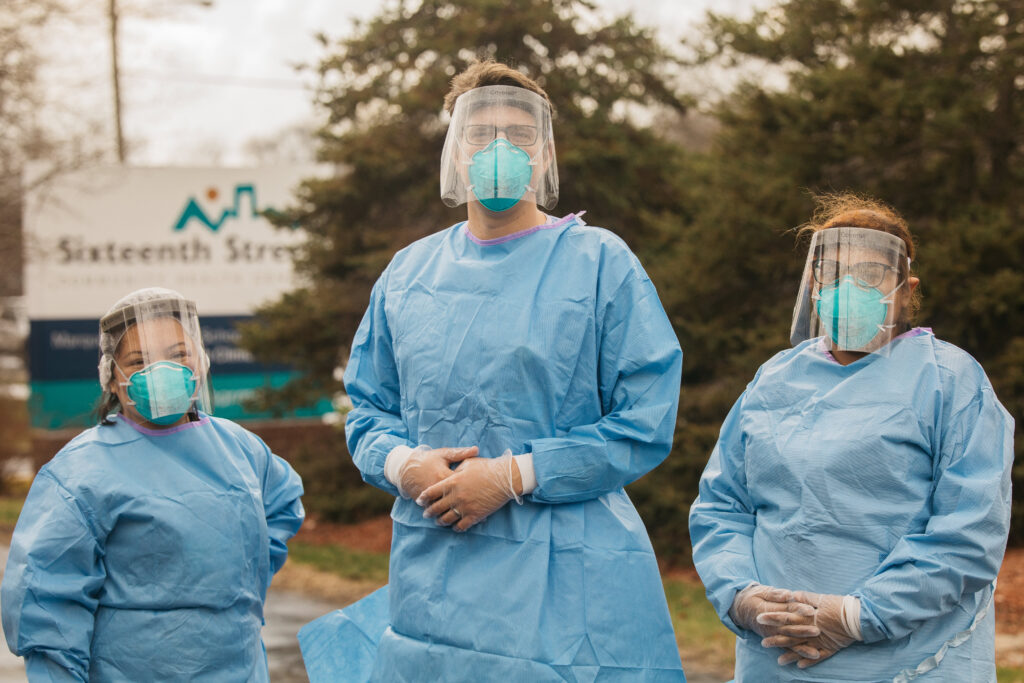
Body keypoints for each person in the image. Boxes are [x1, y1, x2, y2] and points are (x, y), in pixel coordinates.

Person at [307, 60, 687, 680]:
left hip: (568, 582)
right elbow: (369, 409)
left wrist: (516, 475)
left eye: (520, 134)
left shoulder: (599, 262)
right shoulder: (408, 274)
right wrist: (404, 465)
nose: (500, 149)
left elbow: (645, 420)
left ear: (546, 154)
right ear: (456, 153)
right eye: (481, 135)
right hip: (437, 580)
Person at [688, 195, 1014, 681]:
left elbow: (970, 531)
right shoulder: (774, 380)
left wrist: (855, 617)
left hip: (908, 662)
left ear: (906, 290)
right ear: (813, 286)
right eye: (833, 273)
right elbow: (722, 506)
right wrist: (742, 596)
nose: (848, 288)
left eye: (870, 274)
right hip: (775, 660)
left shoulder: (951, 382)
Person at [2, 287, 305, 681]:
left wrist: (243, 575)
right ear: (112, 378)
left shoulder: (239, 448)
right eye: (140, 361)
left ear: (200, 362)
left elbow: (281, 505)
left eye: (178, 355)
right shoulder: (81, 472)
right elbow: (45, 598)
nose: (162, 371)